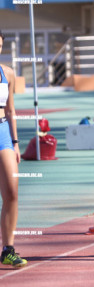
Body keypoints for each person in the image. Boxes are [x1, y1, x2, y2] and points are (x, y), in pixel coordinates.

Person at [0, 30, 27, 267]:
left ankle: (8, 249)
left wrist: (16, 142)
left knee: (12, 191)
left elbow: (10, 110)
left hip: (3, 134)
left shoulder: (7, 73)